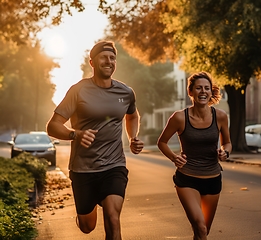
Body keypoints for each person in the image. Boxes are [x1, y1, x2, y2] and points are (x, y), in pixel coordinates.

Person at [46, 40, 144, 240]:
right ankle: (83, 216)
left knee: (113, 217)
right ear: (92, 62)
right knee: (87, 226)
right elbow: (52, 125)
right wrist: (75, 134)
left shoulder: (125, 92)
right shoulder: (78, 90)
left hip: (114, 166)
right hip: (84, 170)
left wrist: (133, 137)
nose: (109, 61)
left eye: (112, 58)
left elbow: (132, 115)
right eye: (104, 57)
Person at [157, 71, 232, 240]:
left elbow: (227, 142)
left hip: (213, 179)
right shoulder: (179, 117)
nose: (203, 91)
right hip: (187, 179)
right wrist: (174, 157)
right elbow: (162, 142)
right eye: (198, 88)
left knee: (203, 231)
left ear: (211, 92)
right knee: (200, 226)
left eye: (207, 88)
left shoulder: (220, 116)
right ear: (190, 92)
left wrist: (225, 152)